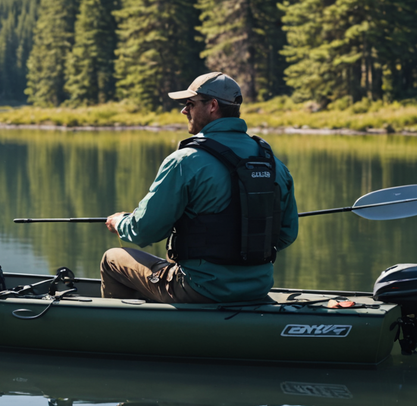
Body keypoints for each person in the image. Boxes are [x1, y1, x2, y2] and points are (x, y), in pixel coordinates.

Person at [101, 72, 298, 303]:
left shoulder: (185, 161)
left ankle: (128, 330)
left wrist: (120, 222)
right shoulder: (274, 163)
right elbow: (285, 235)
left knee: (113, 258)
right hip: (258, 288)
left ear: (213, 105)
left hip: (199, 289)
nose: (184, 111)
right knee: (173, 260)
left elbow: (146, 230)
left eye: (190, 104)